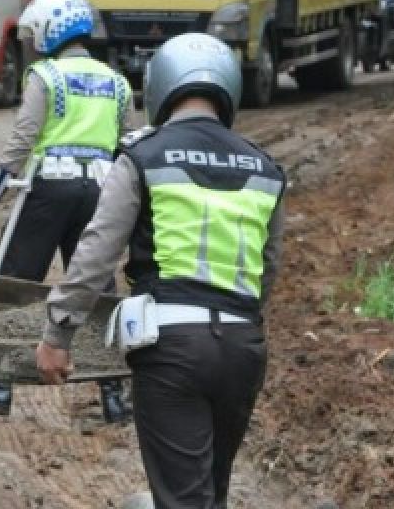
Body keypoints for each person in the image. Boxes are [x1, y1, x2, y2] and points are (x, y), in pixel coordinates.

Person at [35, 32, 286, 509]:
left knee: (182, 498)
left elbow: (96, 251)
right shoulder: (264, 166)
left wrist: (57, 332)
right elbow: (267, 267)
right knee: (212, 491)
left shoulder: (143, 156)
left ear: (159, 87)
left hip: (172, 350)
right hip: (242, 347)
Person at [0, 0, 132, 422]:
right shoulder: (115, 81)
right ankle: (113, 394)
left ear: (52, 32)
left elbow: (22, 140)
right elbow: (130, 143)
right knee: (96, 289)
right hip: (99, 193)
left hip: (49, 188)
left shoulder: (45, 76)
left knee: (14, 285)